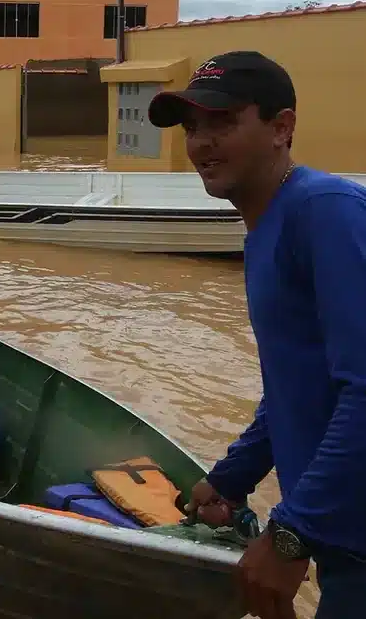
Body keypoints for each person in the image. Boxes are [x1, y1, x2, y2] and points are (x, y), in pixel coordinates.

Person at [147, 51, 366, 619]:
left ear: (282, 127)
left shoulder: (326, 213)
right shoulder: (267, 227)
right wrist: (233, 475)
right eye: (193, 128)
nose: (202, 144)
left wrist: (292, 534)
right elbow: (299, 384)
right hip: (342, 539)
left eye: (223, 122)